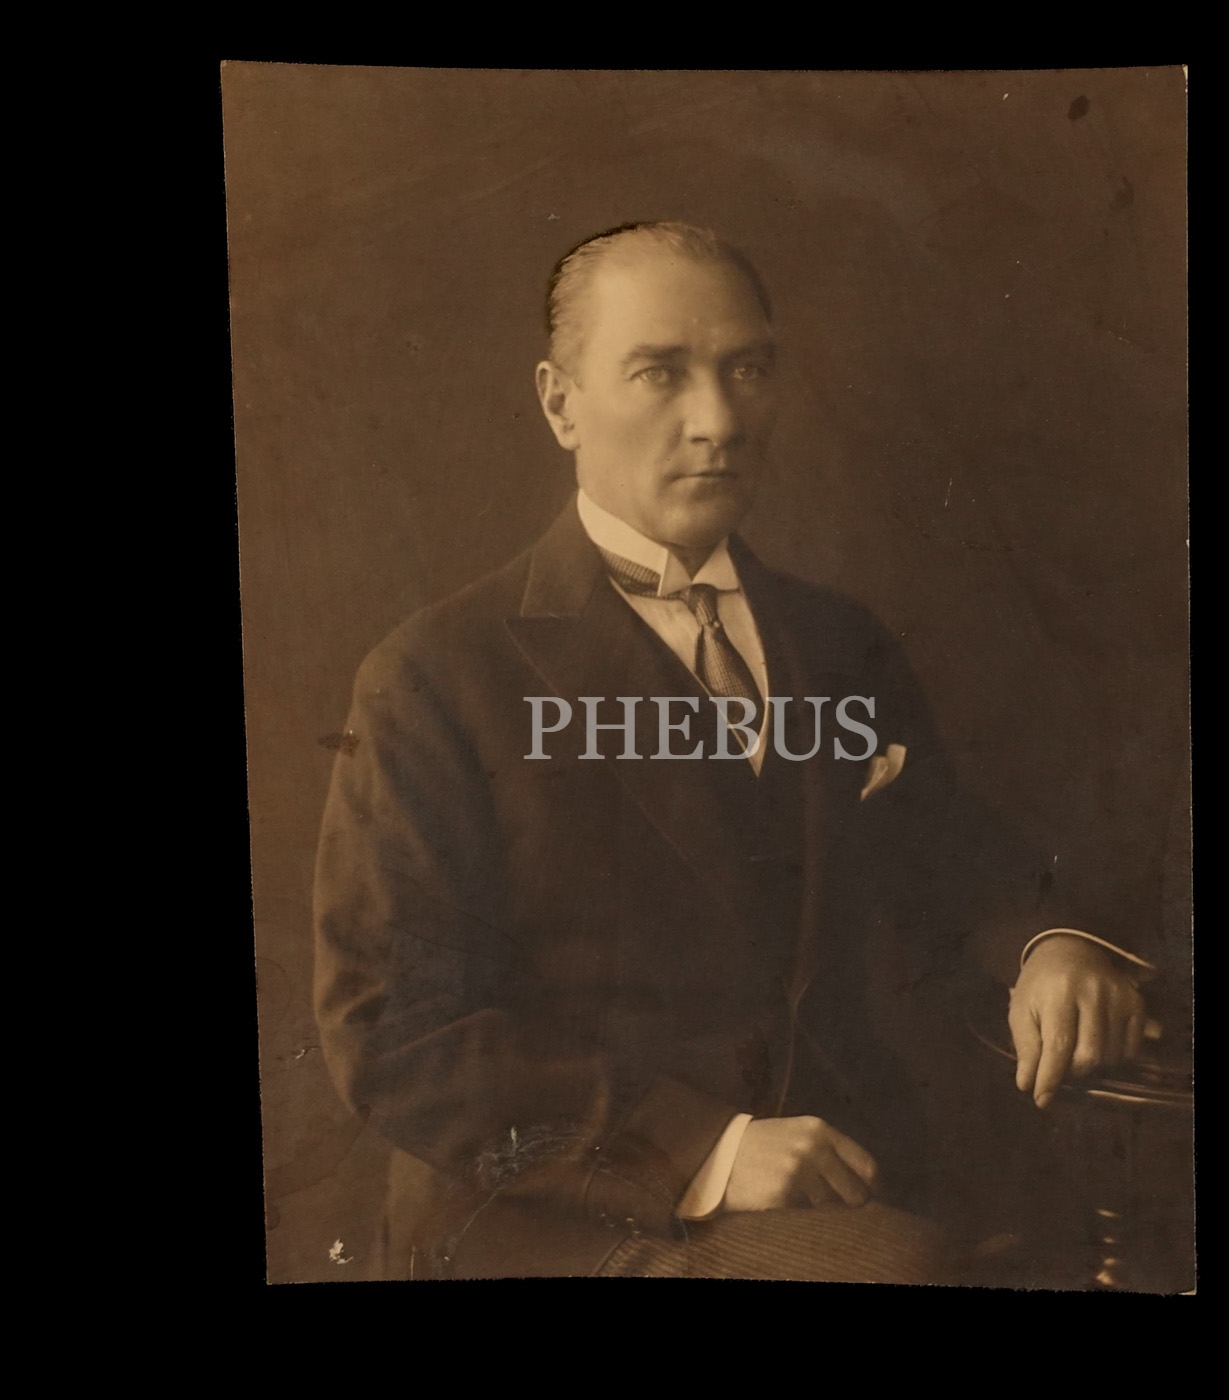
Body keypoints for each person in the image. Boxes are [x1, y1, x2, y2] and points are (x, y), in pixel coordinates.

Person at [312, 221, 1155, 1283]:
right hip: (555, 1210)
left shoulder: (835, 639)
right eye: (659, 372)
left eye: (746, 369)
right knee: (899, 1268)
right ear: (560, 403)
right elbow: (393, 1028)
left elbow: (946, 854)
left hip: (837, 1163)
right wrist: (702, 1150)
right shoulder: (435, 675)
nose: (717, 420)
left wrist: (1047, 944)